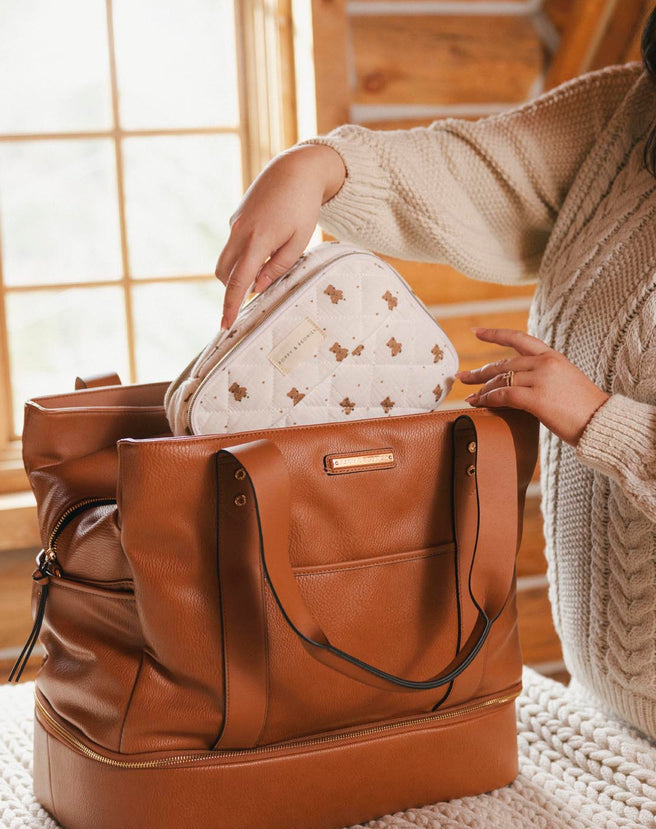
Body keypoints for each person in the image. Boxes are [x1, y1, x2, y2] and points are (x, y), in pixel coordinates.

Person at [215, 11, 656, 744]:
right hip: (604, 709)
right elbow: (473, 175)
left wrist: (598, 419)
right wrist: (315, 168)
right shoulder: (632, 113)